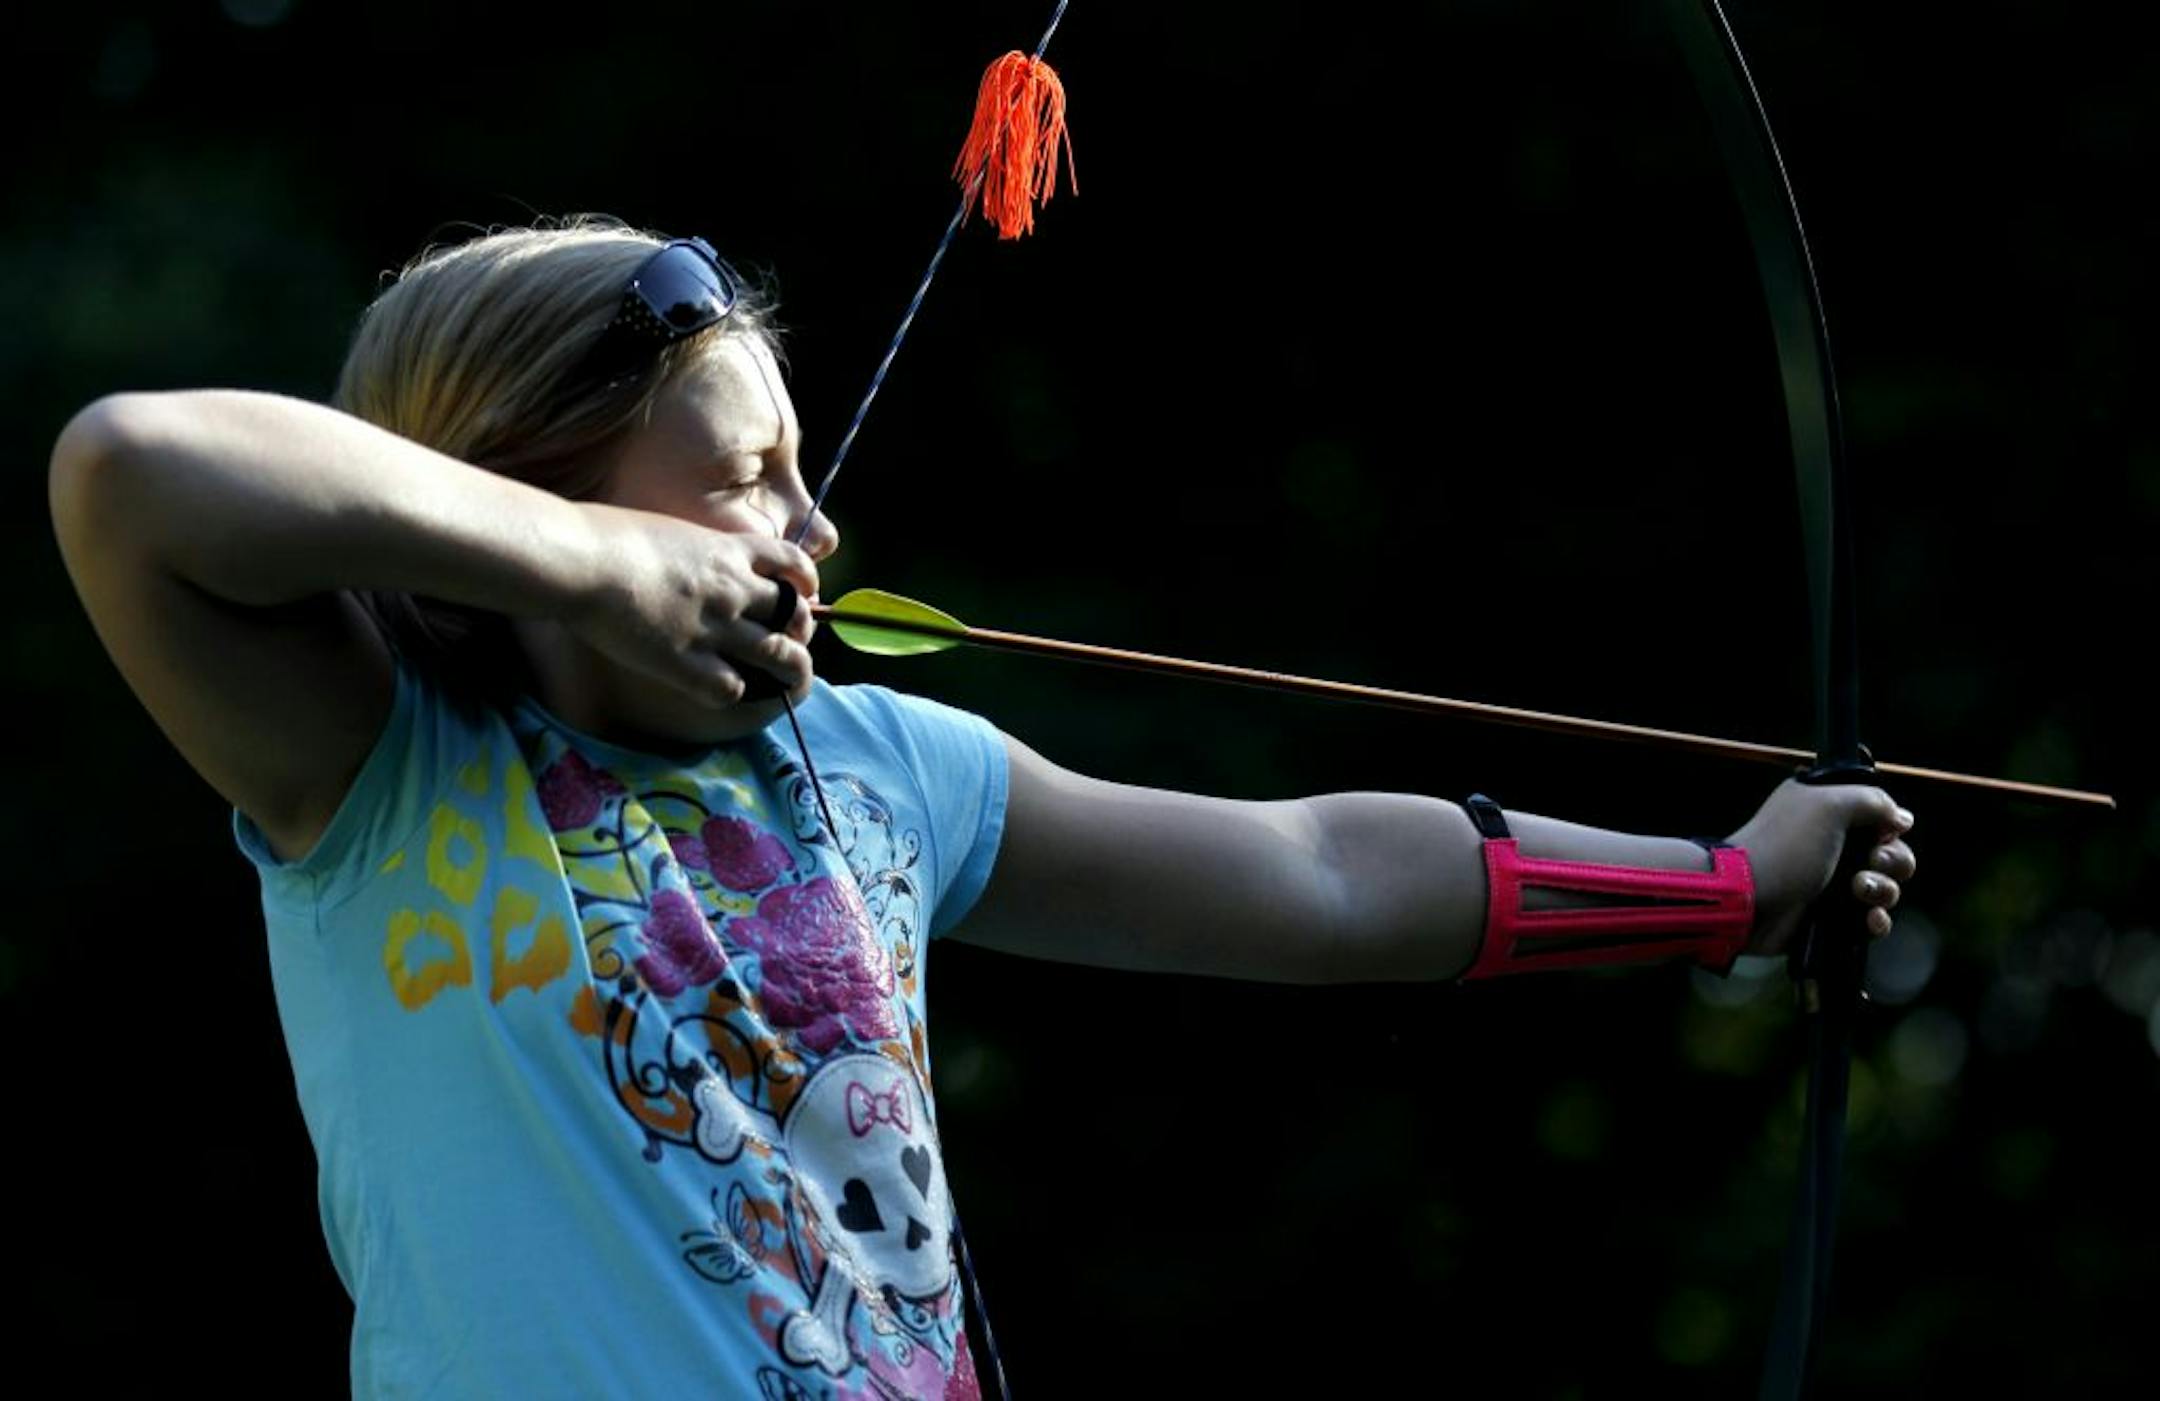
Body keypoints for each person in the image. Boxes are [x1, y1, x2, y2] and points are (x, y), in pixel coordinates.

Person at [46, 216, 1916, 1399]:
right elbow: (130, 470)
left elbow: (1323, 873)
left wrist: (1733, 890)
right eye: (749, 479)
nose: (814, 529)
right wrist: (595, 569)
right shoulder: (381, 773)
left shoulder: (877, 767)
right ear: (531, 494)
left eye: (802, 471)